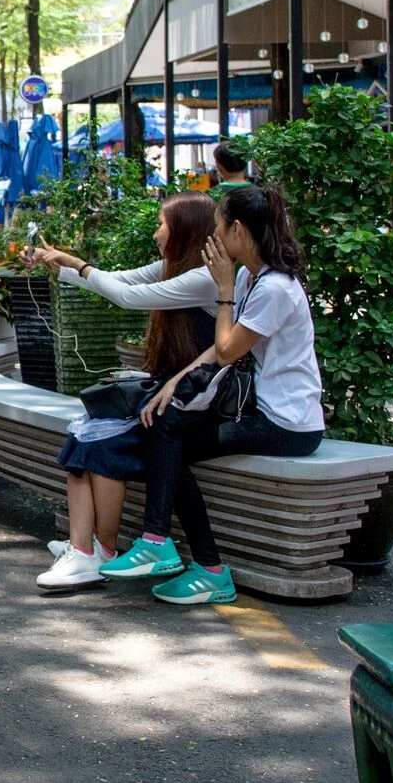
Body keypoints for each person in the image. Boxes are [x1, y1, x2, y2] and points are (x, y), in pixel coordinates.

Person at [102, 184, 326, 605]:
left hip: (287, 424)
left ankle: (176, 551)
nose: (215, 237)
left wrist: (223, 290)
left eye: (219, 227)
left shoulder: (274, 288)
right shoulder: (251, 277)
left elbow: (227, 349)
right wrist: (174, 382)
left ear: (238, 229)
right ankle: (194, 562)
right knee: (164, 428)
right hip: (261, 412)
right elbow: (217, 351)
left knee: (170, 437)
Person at [23, 192, 221, 591]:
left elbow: (128, 297)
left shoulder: (204, 277)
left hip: (193, 399)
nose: (155, 233)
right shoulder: (175, 266)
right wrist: (62, 264)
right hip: (172, 390)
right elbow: (122, 281)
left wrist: (76, 264)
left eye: (161, 225)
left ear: (184, 231)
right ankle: (85, 550)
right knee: (83, 429)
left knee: (102, 442)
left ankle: (100, 551)